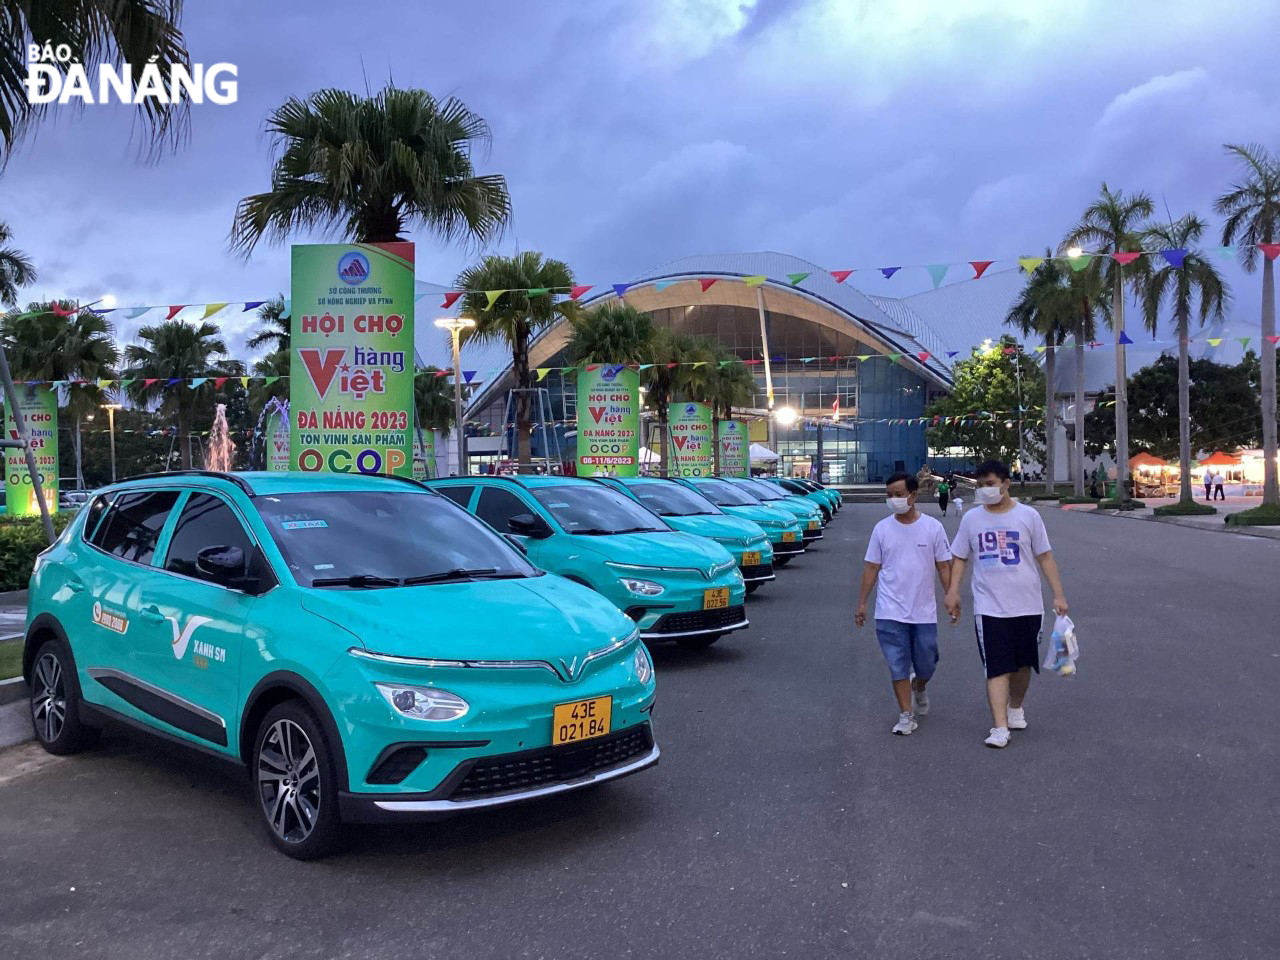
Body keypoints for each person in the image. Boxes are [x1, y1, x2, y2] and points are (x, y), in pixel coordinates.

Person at [944, 460, 1069, 749]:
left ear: (1005, 483)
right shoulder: (971, 520)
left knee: (1022, 666)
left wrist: (1058, 595)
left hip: (1028, 605)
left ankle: (1015, 708)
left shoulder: (1028, 516)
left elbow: (1045, 556)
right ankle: (999, 727)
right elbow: (960, 557)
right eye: (980, 485)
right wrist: (953, 590)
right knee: (996, 666)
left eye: (990, 484)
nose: (985, 490)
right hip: (989, 607)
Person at [855, 473, 953, 736]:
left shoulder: (932, 527)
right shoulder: (882, 529)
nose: (894, 500)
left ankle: (919, 686)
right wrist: (862, 603)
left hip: (923, 611)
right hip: (889, 610)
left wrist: (951, 595)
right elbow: (871, 567)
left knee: (927, 662)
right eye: (889, 495)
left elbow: (943, 565)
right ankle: (905, 715)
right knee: (897, 663)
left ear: (913, 495)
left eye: (898, 495)